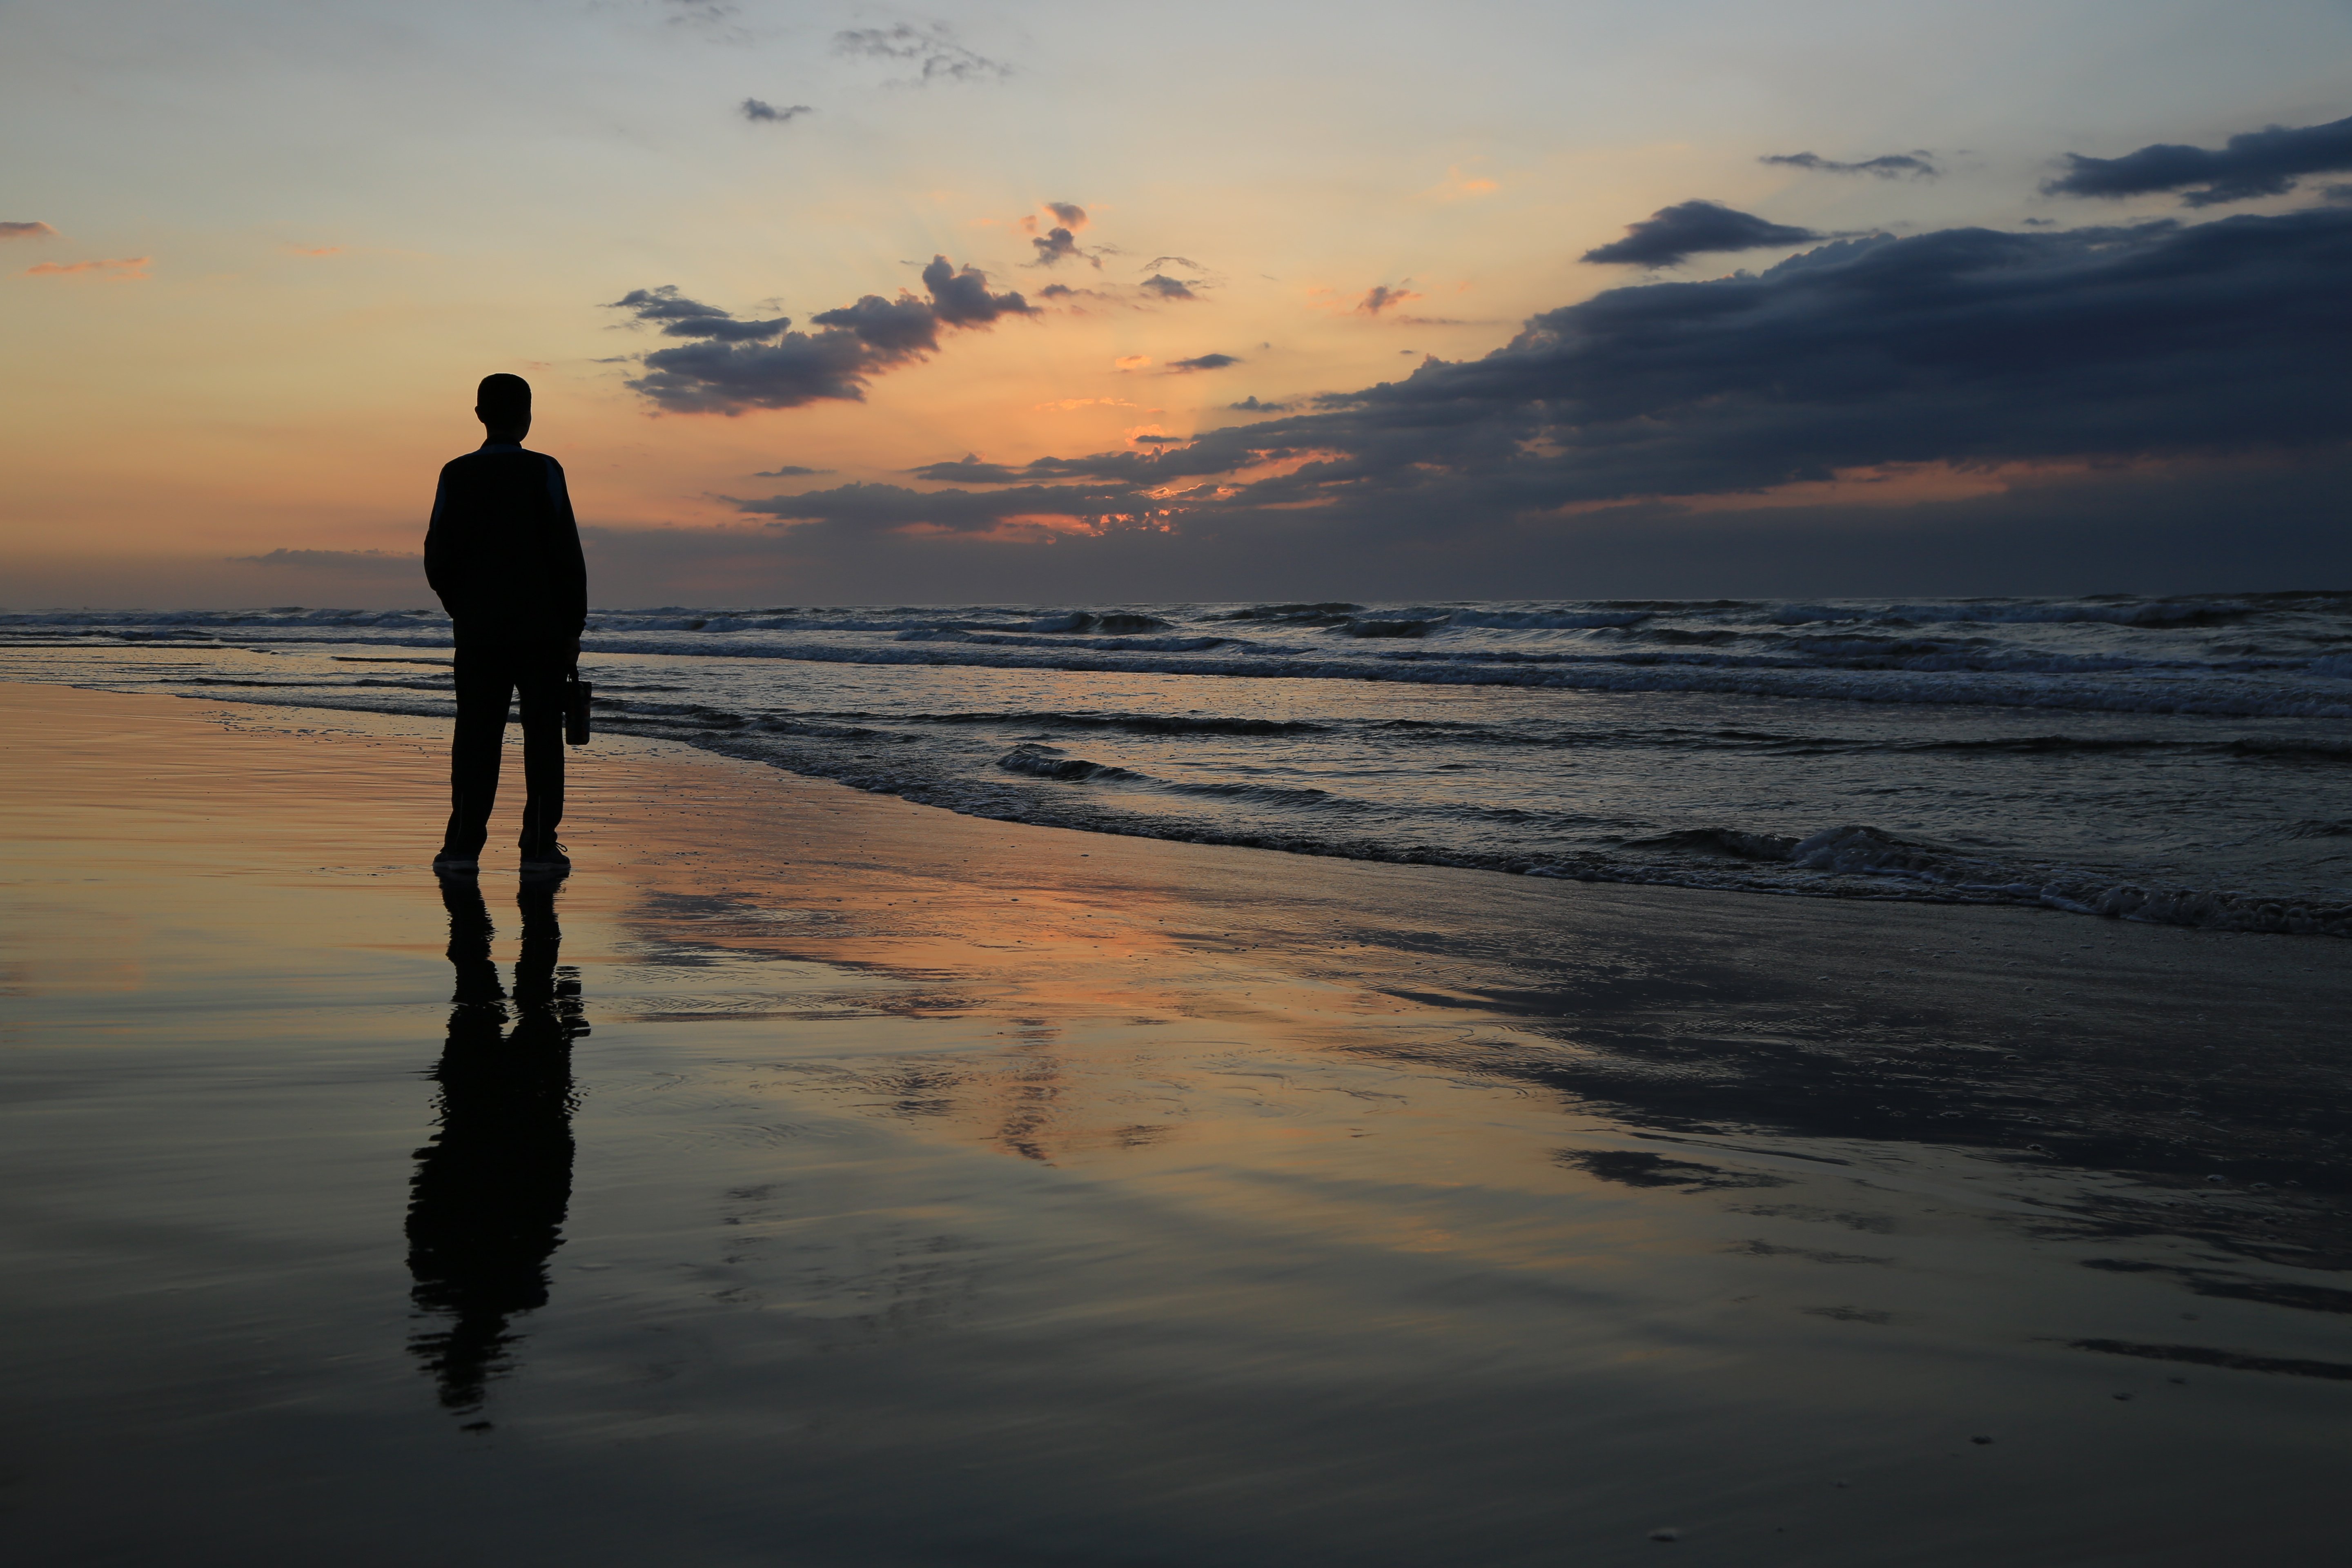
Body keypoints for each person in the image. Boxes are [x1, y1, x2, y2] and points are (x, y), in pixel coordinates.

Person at [425, 373, 586, 877]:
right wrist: (572, 628)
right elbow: (567, 554)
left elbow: (437, 557)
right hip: (541, 631)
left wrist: (464, 607)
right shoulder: (545, 470)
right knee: (542, 737)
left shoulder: (456, 473)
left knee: (476, 737)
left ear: (479, 415)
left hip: (479, 634)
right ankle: (539, 845)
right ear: (528, 415)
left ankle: (463, 846)